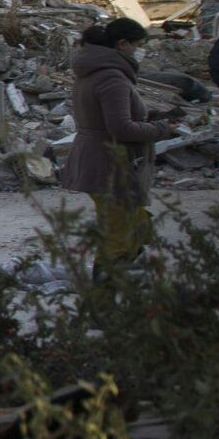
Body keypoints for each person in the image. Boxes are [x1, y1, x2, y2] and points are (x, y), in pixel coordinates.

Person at [62, 16, 164, 270]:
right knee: (118, 238)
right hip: (109, 166)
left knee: (137, 227)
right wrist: (160, 129)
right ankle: (102, 299)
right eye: (137, 45)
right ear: (122, 44)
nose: (139, 51)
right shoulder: (112, 78)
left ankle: (122, 287)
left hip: (97, 160)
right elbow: (120, 128)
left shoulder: (92, 72)